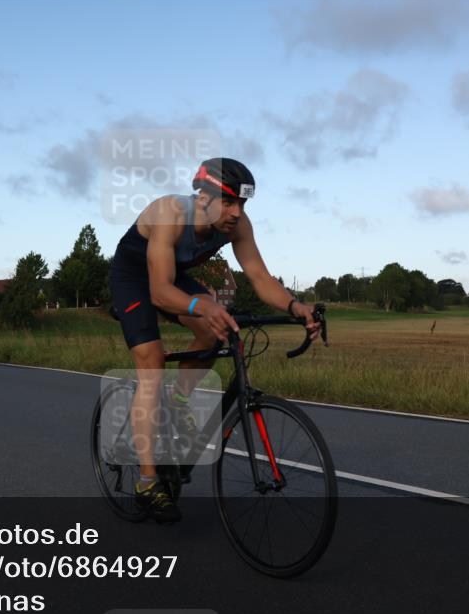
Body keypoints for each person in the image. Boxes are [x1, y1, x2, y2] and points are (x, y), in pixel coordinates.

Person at [108, 158, 320, 523]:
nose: (236, 212)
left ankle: (176, 402)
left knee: (212, 325)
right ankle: (146, 480)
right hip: (135, 279)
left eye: (242, 204)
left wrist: (295, 305)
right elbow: (159, 292)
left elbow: (259, 276)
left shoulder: (237, 225)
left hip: (171, 277)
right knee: (153, 362)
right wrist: (200, 305)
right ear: (202, 196)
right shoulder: (170, 213)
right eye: (228, 201)